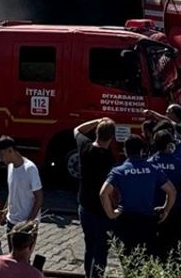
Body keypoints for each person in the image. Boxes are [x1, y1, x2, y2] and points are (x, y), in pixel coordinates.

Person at [101, 135, 175, 266]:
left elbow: (103, 193)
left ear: (125, 151)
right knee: (147, 260)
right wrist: (166, 209)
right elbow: (172, 191)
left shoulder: (119, 171)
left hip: (126, 221)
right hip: (147, 221)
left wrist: (111, 214)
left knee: (128, 261)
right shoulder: (153, 169)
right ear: (142, 151)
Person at [73, 118, 116, 278]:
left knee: (89, 245)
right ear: (111, 138)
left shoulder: (85, 147)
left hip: (85, 206)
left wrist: (97, 120)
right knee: (101, 249)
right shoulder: (109, 159)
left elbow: (77, 130)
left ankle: (87, 274)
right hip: (102, 210)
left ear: (97, 133)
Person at [148, 129, 181, 264]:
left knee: (158, 249)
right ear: (170, 145)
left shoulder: (149, 163)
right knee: (177, 248)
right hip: (177, 211)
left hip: (157, 212)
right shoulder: (179, 164)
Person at [0, 136, 44, 237]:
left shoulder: (30, 169)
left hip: (26, 224)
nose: (1, 159)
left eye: (2, 155)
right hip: (11, 221)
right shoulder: (10, 166)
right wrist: (5, 213)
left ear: (10, 150)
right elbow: (12, 192)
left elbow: (39, 197)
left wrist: (28, 223)